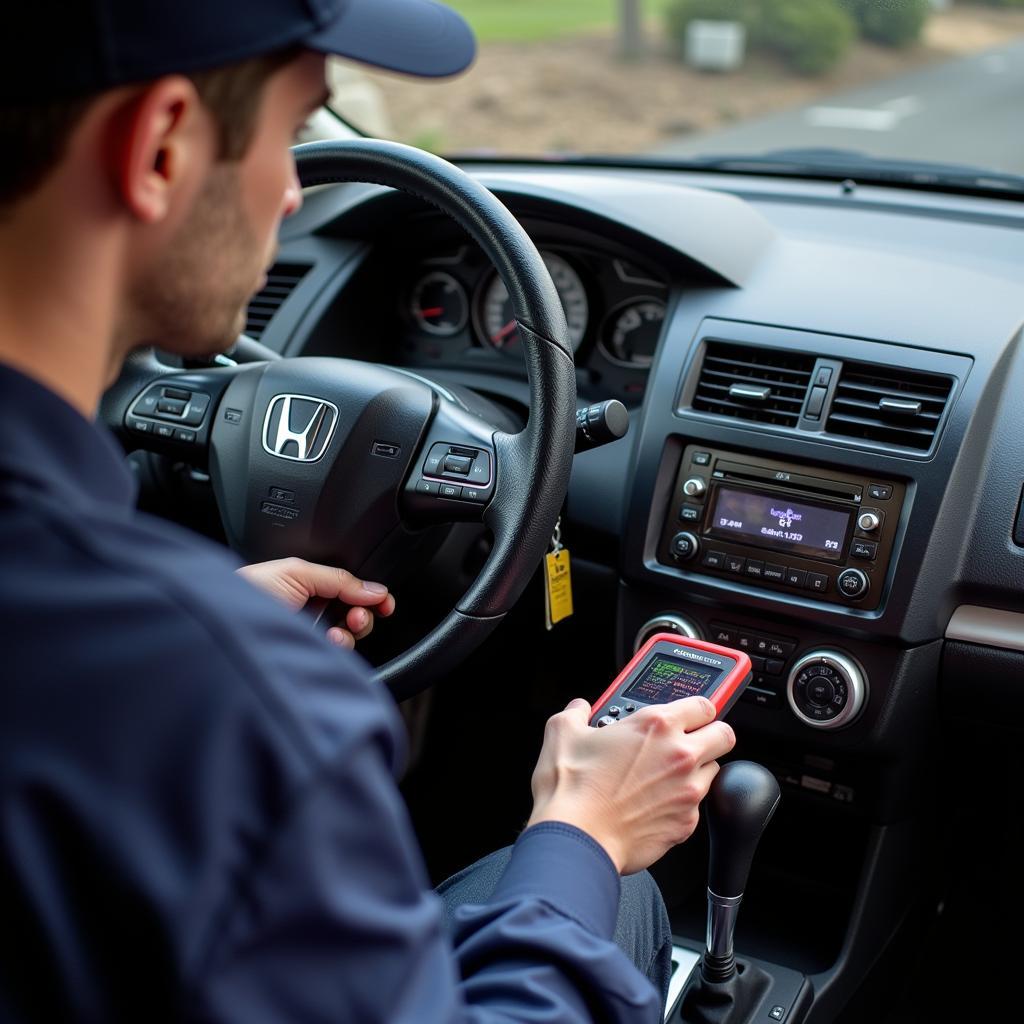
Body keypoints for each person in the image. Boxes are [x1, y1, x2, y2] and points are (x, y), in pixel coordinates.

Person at [0, 1, 737, 1021]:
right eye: (294, 128)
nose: (296, 191)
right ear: (159, 149)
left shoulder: (133, 654)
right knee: (620, 902)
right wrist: (583, 829)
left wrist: (212, 627)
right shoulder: (228, 709)